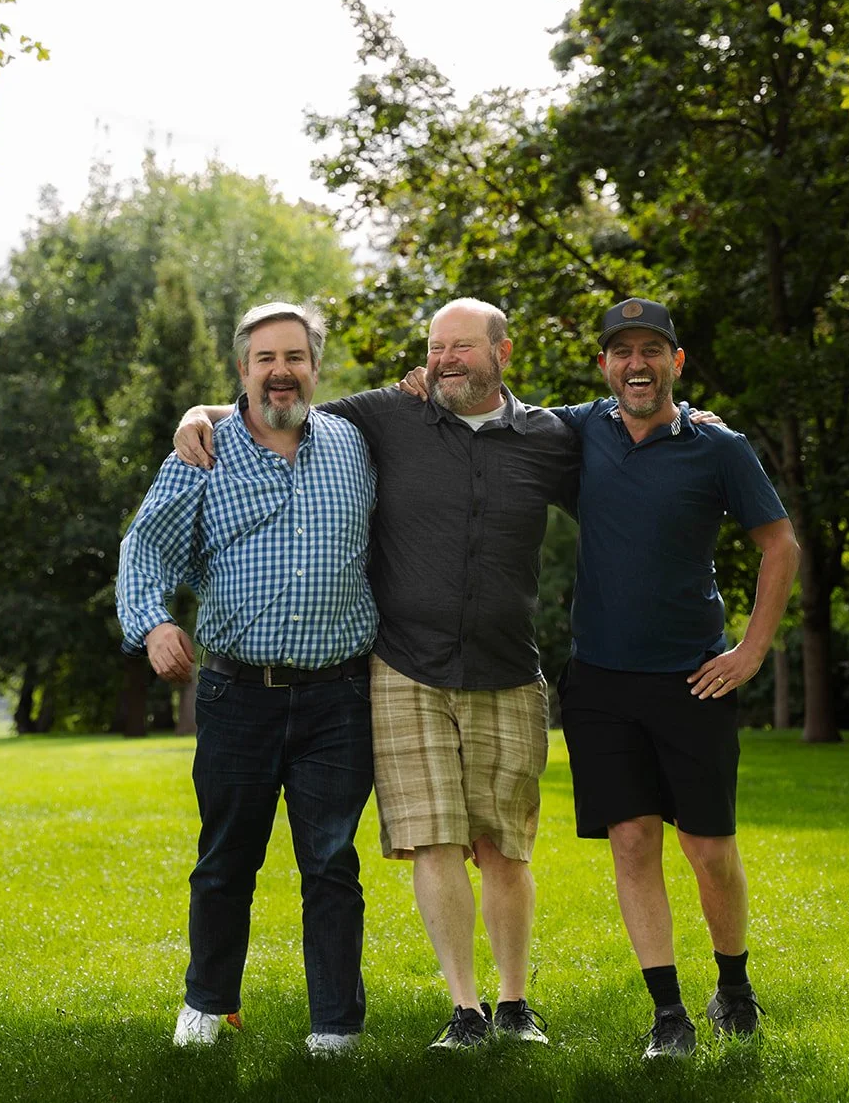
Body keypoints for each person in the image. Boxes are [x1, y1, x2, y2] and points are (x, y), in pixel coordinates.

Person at [174, 299, 581, 1049]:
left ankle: (514, 1003)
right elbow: (277, 401)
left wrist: (688, 419)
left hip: (507, 669)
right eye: (435, 348)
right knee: (429, 841)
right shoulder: (389, 416)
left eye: (462, 347)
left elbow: (623, 426)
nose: (446, 360)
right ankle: (464, 1011)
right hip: (404, 670)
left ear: (503, 352)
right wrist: (200, 411)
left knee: (501, 848)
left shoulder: (551, 435)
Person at [117, 301, 378, 1054]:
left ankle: (335, 1024)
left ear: (315, 367)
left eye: (294, 356)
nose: (280, 371)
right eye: (264, 359)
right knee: (226, 858)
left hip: (338, 694)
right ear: (242, 370)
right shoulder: (203, 451)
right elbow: (146, 549)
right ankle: (208, 1003)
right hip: (235, 692)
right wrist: (155, 623)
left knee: (331, 864)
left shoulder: (355, 446)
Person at [553, 298, 800, 1059]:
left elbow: (779, 543)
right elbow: (487, 407)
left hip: (692, 680)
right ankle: (667, 1016)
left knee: (706, 847)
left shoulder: (717, 447)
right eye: (621, 351)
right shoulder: (575, 429)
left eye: (650, 351)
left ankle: (733, 987)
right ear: (603, 365)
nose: (636, 365)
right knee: (630, 841)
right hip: (597, 681)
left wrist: (751, 652)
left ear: (675, 362)